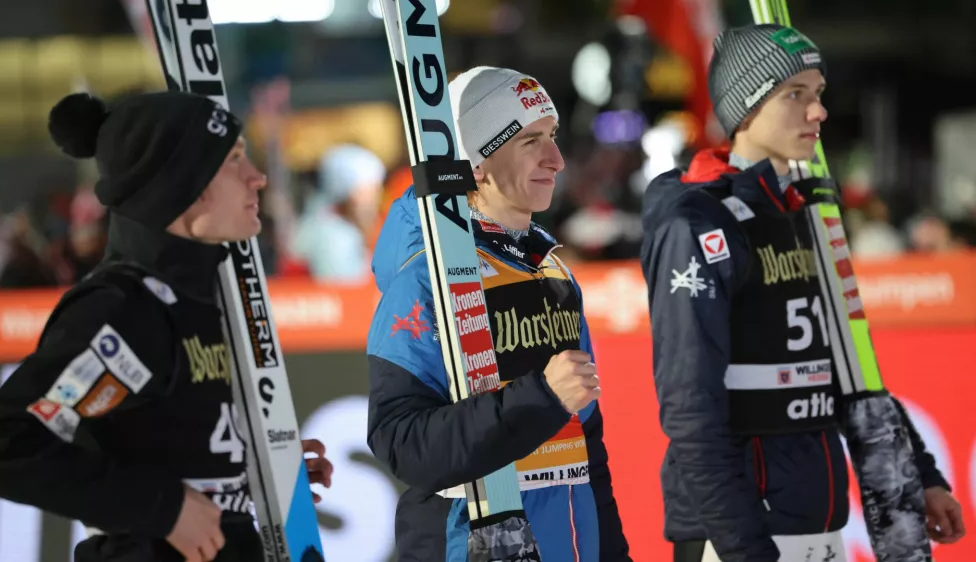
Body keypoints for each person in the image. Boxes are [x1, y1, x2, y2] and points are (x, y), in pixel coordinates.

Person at [639, 24, 964, 562]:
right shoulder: (698, 222)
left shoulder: (805, 212)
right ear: (745, 107)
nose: (818, 113)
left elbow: (847, 370)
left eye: (818, 96)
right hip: (742, 535)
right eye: (795, 95)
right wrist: (744, 545)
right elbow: (690, 412)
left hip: (815, 521)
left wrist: (921, 476)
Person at [0, 91, 333, 562]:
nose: (257, 178)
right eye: (234, 161)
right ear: (186, 185)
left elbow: (167, 442)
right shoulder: (126, 309)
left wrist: (258, 470)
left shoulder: (205, 293)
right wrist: (162, 509)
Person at [365, 66, 632, 562]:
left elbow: (587, 448)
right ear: (478, 163)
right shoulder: (426, 279)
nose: (556, 159)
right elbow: (400, 442)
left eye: (552, 136)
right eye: (531, 141)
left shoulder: (552, 270)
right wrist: (541, 397)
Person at [289, 144, 385, 283]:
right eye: (370, 191)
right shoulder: (334, 237)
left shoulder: (323, 224)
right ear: (351, 196)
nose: (376, 201)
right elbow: (348, 297)